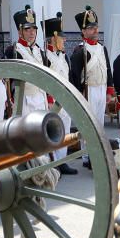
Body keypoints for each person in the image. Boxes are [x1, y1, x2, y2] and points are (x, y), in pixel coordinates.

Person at [68, 5, 112, 169]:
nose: (94, 30)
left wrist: (109, 90)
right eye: (90, 28)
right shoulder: (80, 51)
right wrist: (79, 93)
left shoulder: (102, 48)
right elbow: (74, 75)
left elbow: (107, 69)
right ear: (83, 31)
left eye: (95, 27)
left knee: (100, 123)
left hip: (101, 88)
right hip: (89, 90)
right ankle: (87, 156)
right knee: (88, 124)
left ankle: (98, 153)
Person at [41, 13, 78, 175]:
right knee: (52, 131)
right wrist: (49, 98)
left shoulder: (64, 56)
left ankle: (62, 161)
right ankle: (53, 163)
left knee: (65, 129)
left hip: (64, 99)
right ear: (53, 38)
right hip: (52, 100)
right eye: (62, 38)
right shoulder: (45, 56)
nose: (65, 41)